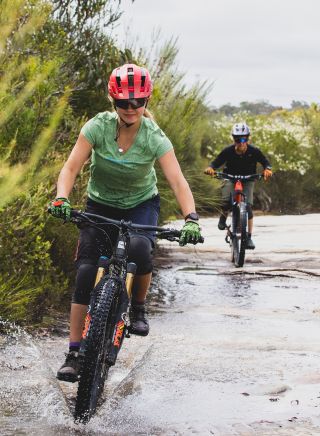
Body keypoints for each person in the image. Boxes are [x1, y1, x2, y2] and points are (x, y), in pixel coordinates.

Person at [49, 63, 203, 382]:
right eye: (123, 102)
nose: (131, 108)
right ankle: (75, 353)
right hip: (100, 204)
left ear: (146, 101)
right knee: (86, 272)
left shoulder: (154, 136)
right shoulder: (97, 127)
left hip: (141, 205)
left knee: (140, 250)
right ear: (113, 101)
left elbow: (177, 181)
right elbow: (70, 168)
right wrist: (62, 197)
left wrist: (192, 218)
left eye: (138, 102)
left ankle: (139, 307)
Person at [204, 122, 272, 249]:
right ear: (233, 139)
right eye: (237, 139)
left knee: (249, 208)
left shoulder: (254, 151)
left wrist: (267, 169)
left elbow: (265, 162)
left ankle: (249, 238)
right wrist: (210, 168)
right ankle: (223, 217)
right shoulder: (228, 151)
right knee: (226, 202)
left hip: (248, 179)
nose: (241, 142)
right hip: (230, 178)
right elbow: (216, 162)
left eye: (243, 138)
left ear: (247, 138)